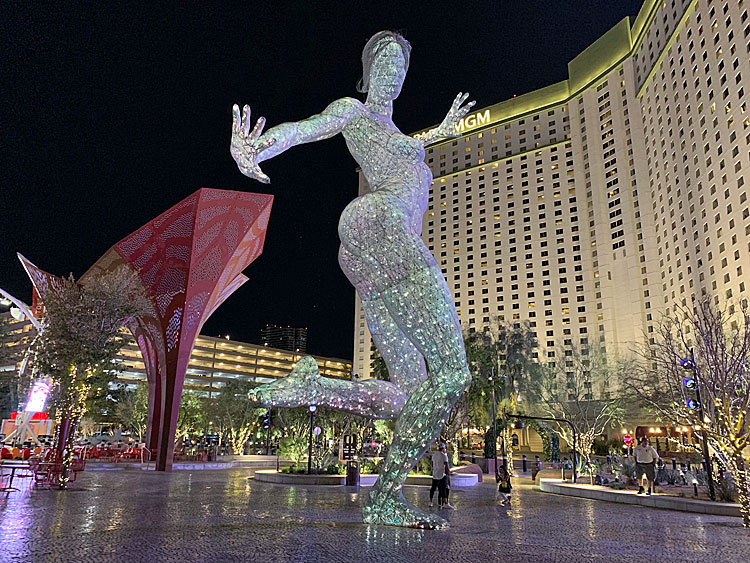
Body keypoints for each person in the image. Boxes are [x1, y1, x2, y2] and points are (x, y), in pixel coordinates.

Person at [233, 31, 474, 529]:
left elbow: (408, 145)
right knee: (454, 373)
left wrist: (441, 131)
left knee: (412, 394)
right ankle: (385, 495)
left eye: (402, 68)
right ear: (367, 72)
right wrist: (257, 147)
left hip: (375, 264)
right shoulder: (355, 112)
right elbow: (307, 128)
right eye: (386, 62)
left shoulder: (399, 137)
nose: (395, 73)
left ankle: (314, 387)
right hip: (376, 224)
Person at [429, 443, 454, 509]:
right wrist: (449, 472)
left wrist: (433, 470)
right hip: (442, 474)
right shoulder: (444, 456)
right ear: (443, 449)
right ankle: (445, 502)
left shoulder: (434, 455)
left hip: (435, 474)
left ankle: (430, 501)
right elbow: (446, 465)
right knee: (444, 488)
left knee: (433, 488)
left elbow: (432, 464)